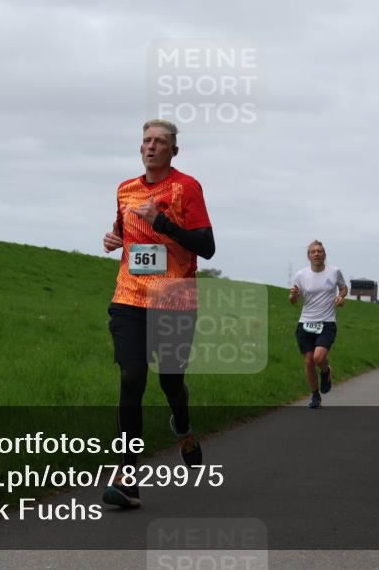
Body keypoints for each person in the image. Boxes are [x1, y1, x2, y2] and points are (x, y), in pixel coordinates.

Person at [100, 119, 215, 508]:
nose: (151, 146)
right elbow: (125, 233)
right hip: (129, 299)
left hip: (175, 302)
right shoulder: (125, 190)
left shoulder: (187, 187)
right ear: (140, 148)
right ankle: (127, 476)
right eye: (147, 140)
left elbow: (207, 246)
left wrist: (162, 222)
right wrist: (113, 239)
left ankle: (182, 425)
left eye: (160, 142)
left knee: (170, 382)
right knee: (132, 378)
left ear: (173, 151)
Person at [289, 240, 348, 409]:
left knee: (318, 358)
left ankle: (325, 371)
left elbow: (344, 288)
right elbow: (293, 300)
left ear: (324, 255)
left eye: (319, 251)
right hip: (306, 322)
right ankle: (315, 396)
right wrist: (293, 295)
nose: (316, 254)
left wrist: (341, 297)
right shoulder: (301, 275)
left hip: (327, 322)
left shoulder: (334, 272)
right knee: (309, 362)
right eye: (313, 252)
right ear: (308, 256)